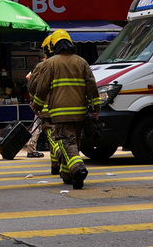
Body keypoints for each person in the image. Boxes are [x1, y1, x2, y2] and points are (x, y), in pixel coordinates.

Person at [29, 29, 101, 188]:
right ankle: (68, 175)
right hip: (80, 113)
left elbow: (41, 88)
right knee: (75, 142)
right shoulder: (82, 62)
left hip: (60, 113)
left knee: (66, 143)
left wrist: (36, 105)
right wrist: (96, 108)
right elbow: (92, 87)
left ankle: (78, 169)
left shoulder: (51, 63)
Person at [23, 45, 51, 158]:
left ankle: (31, 147)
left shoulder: (35, 69)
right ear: (46, 58)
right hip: (43, 102)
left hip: (36, 101)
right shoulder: (46, 69)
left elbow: (27, 77)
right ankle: (31, 149)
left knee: (38, 125)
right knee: (38, 126)